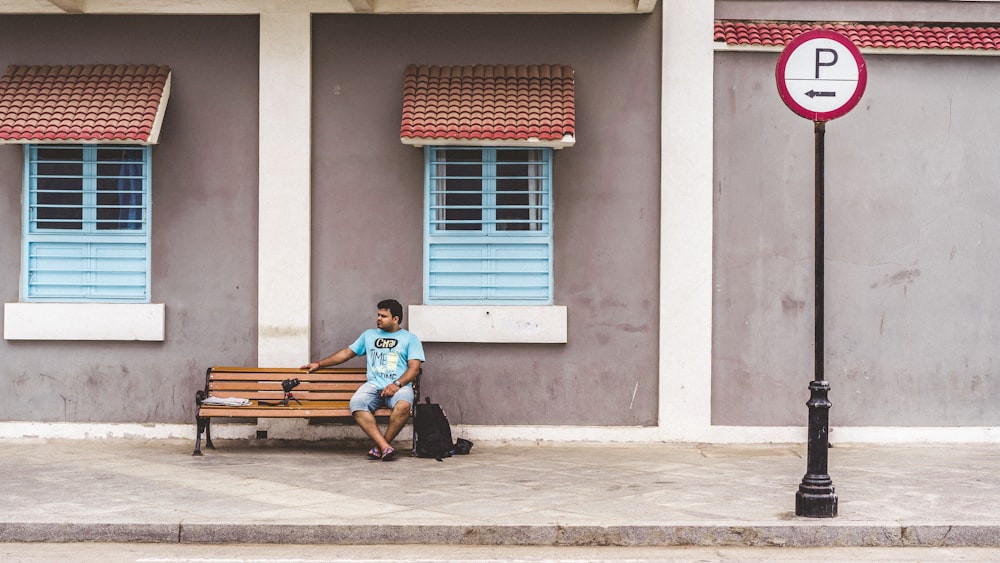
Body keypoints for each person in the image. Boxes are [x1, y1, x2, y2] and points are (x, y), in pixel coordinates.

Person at [301, 299, 424, 461]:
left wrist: (396, 384)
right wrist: (319, 364)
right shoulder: (369, 335)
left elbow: (414, 368)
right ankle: (385, 447)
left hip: (399, 387)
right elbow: (346, 353)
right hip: (373, 385)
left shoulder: (410, 339)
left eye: (383, 316)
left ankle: (381, 446)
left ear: (395, 319)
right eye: (378, 315)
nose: (378, 318)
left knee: (404, 406)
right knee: (356, 404)